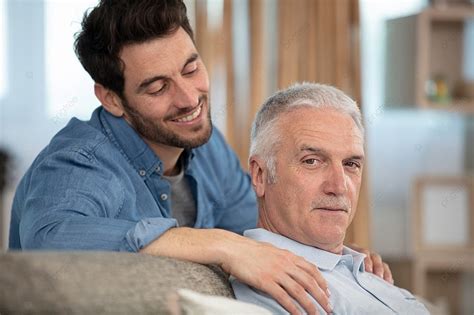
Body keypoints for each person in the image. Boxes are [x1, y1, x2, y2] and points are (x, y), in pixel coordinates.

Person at [9, 1, 390, 314]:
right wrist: (223, 245)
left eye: (191, 68)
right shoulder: (79, 162)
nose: (190, 99)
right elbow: (50, 239)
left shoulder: (206, 148)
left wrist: (338, 258)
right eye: (158, 87)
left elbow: (261, 226)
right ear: (111, 98)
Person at [231, 82, 429, 314]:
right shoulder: (279, 286)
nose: (339, 186)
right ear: (260, 175)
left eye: (351, 164)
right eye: (312, 161)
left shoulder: (363, 267)